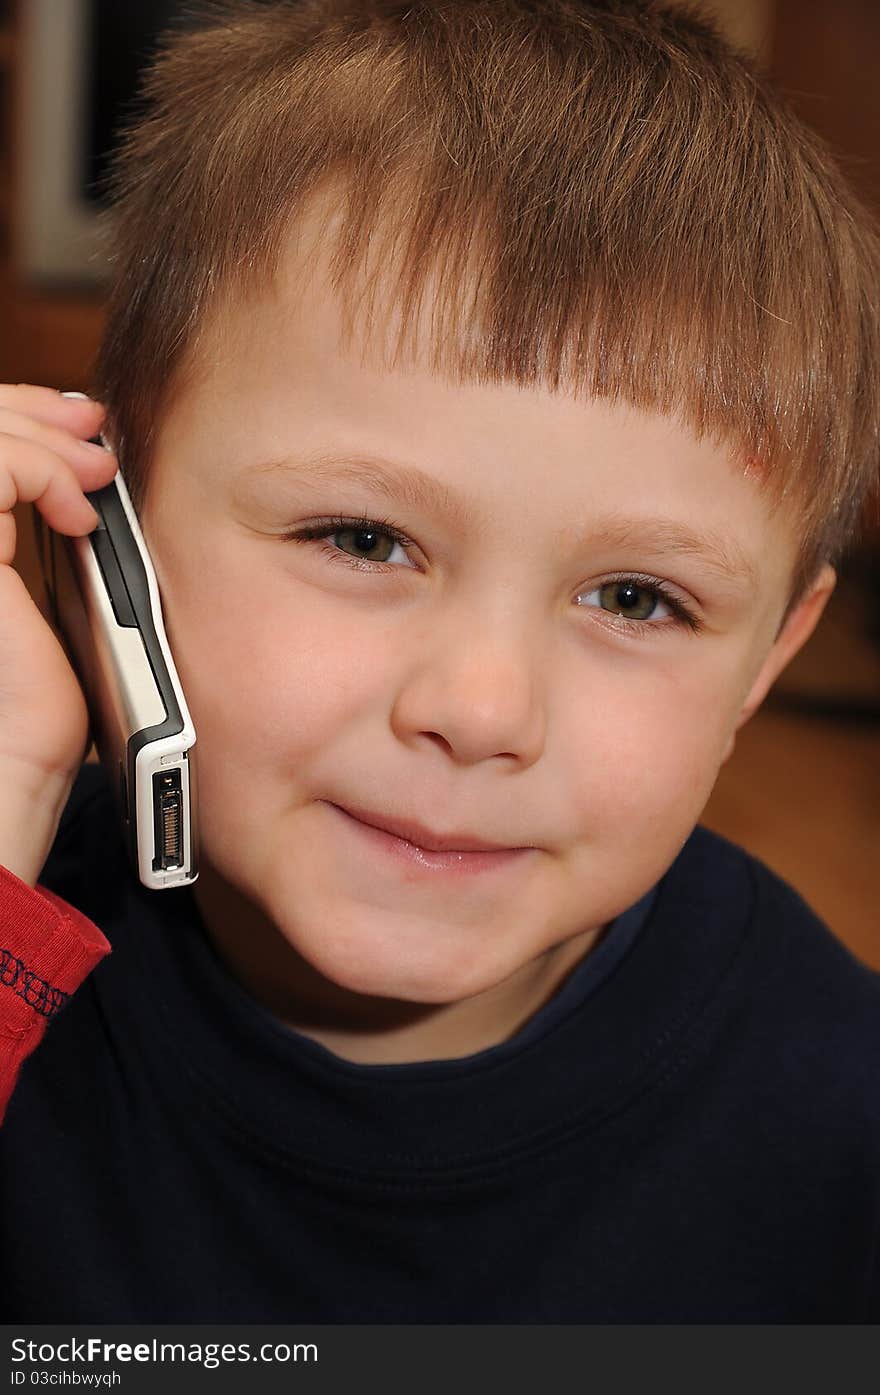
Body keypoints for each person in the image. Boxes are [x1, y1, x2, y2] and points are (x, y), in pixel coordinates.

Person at [0, 0, 878, 1323]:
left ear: (769, 660)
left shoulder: (838, 1119)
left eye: (637, 596)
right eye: (363, 537)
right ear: (101, 528)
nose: (481, 711)